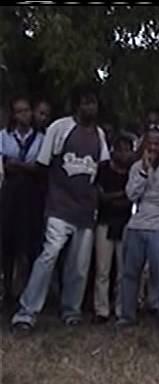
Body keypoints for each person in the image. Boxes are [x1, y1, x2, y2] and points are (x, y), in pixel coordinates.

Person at [10, 85, 110, 332]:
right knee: (49, 255)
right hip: (59, 207)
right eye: (86, 102)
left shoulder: (99, 135)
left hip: (86, 211)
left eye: (94, 103)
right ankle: (27, 311)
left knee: (79, 264)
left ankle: (71, 310)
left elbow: (103, 168)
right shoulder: (60, 128)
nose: (90, 108)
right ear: (77, 105)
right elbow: (43, 165)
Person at [117, 125, 159, 331]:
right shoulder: (138, 167)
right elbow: (130, 194)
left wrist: (147, 195)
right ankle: (127, 316)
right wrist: (145, 173)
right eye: (150, 143)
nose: (153, 147)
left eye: (157, 143)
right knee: (129, 273)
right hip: (137, 224)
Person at [0, 95, 45, 306]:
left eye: (26, 110)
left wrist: (19, 165)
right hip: (9, 195)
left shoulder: (41, 138)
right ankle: (7, 290)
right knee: (6, 243)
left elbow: (39, 168)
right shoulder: (4, 136)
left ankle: (24, 292)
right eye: (19, 111)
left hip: (31, 196)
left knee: (27, 246)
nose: (24, 115)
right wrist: (24, 166)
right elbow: (5, 165)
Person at [93, 135, 134, 323]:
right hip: (105, 222)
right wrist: (121, 195)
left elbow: (133, 197)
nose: (124, 154)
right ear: (113, 151)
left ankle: (121, 309)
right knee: (103, 269)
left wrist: (116, 197)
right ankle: (101, 309)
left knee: (123, 270)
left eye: (128, 149)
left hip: (125, 223)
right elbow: (100, 197)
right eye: (121, 149)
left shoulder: (133, 172)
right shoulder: (103, 170)